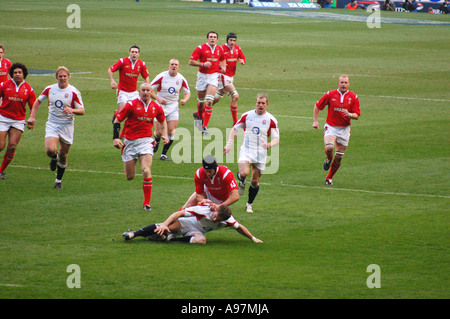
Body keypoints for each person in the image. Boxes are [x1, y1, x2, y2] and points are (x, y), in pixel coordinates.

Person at [113, 83, 168, 211]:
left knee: (146, 170)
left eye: (148, 90)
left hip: (146, 142)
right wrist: (116, 138)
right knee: (130, 177)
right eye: (143, 90)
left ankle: (146, 203)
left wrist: (164, 134)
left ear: (151, 92)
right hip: (130, 142)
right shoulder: (131, 105)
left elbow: (162, 120)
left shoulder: (156, 107)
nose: (145, 92)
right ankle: (131, 160)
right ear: (139, 91)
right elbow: (117, 121)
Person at [27, 67, 85, 189]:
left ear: (69, 77)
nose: (63, 78)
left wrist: (72, 110)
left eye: (65, 76)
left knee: (64, 154)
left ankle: (58, 180)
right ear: (56, 77)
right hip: (53, 124)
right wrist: (32, 117)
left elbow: (82, 110)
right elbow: (37, 102)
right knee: (50, 150)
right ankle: (54, 157)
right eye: (60, 76)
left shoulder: (74, 92)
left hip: (67, 125)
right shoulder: (50, 89)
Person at [224, 93, 280, 213]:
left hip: (261, 153)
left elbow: (276, 138)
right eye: (258, 103)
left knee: (255, 181)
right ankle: (242, 180)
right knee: (244, 173)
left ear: (267, 104)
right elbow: (235, 129)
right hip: (247, 150)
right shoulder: (247, 116)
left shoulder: (271, 120)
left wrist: (269, 145)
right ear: (256, 103)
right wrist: (229, 144)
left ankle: (249, 204)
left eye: (263, 103)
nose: (260, 105)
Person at [122, 203, 263, 244]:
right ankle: (133, 234)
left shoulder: (227, 220)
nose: (214, 219)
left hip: (196, 231)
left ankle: (172, 240)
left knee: (201, 241)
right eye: (215, 216)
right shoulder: (203, 210)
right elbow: (178, 213)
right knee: (164, 228)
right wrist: (165, 224)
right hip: (186, 223)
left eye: (218, 219)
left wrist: (253, 238)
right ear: (215, 209)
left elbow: (240, 228)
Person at [312, 74, 360, 186]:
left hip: (344, 129)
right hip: (331, 127)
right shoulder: (330, 94)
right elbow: (317, 106)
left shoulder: (353, 97)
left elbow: (357, 115)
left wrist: (350, 114)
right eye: (341, 82)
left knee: (338, 157)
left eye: (345, 82)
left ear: (349, 84)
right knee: (329, 148)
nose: (343, 85)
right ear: (338, 83)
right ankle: (328, 158)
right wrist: (315, 121)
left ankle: (329, 178)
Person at [0, 63, 36, 180]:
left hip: (18, 120)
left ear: (24, 74)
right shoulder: (4, 85)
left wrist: (32, 118)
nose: (17, 75)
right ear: (12, 74)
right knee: (0, 145)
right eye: (15, 73)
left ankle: (1, 171)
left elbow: (33, 106)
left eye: (20, 73)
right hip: (3, 118)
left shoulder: (29, 89)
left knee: (12, 146)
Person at [150, 58, 191, 161]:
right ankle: (157, 140)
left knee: (171, 131)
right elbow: (149, 90)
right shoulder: (161, 76)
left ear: (178, 67)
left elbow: (187, 92)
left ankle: (163, 154)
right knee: (159, 132)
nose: (174, 66)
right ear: (168, 66)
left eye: (176, 65)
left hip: (173, 107)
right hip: (160, 107)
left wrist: (185, 100)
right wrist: (158, 98)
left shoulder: (181, 79)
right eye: (172, 64)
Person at [189, 31, 226, 135]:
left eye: (214, 37)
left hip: (214, 76)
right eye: (210, 37)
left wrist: (223, 68)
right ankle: (199, 117)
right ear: (207, 39)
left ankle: (204, 126)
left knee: (209, 101)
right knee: (201, 103)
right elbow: (191, 62)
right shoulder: (200, 48)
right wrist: (203, 64)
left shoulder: (220, 49)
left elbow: (223, 59)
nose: (212, 39)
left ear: (217, 39)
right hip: (202, 76)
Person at [108, 45, 162, 111]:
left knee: (135, 113)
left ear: (138, 54)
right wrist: (112, 81)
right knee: (123, 112)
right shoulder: (122, 61)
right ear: (129, 53)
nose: (134, 54)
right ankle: (117, 114)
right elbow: (110, 70)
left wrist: (145, 88)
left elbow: (146, 77)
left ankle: (118, 114)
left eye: (136, 52)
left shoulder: (141, 64)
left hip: (134, 93)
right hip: (122, 92)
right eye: (132, 52)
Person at [213, 32, 246, 126]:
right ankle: (235, 122)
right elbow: (215, 61)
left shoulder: (237, 48)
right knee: (235, 96)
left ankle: (200, 112)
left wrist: (242, 61)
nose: (232, 42)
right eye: (230, 40)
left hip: (231, 76)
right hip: (222, 76)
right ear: (227, 40)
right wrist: (220, 66)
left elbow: (243, 58)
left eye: (234, 40)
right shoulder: (221, 49)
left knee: (216, 98)